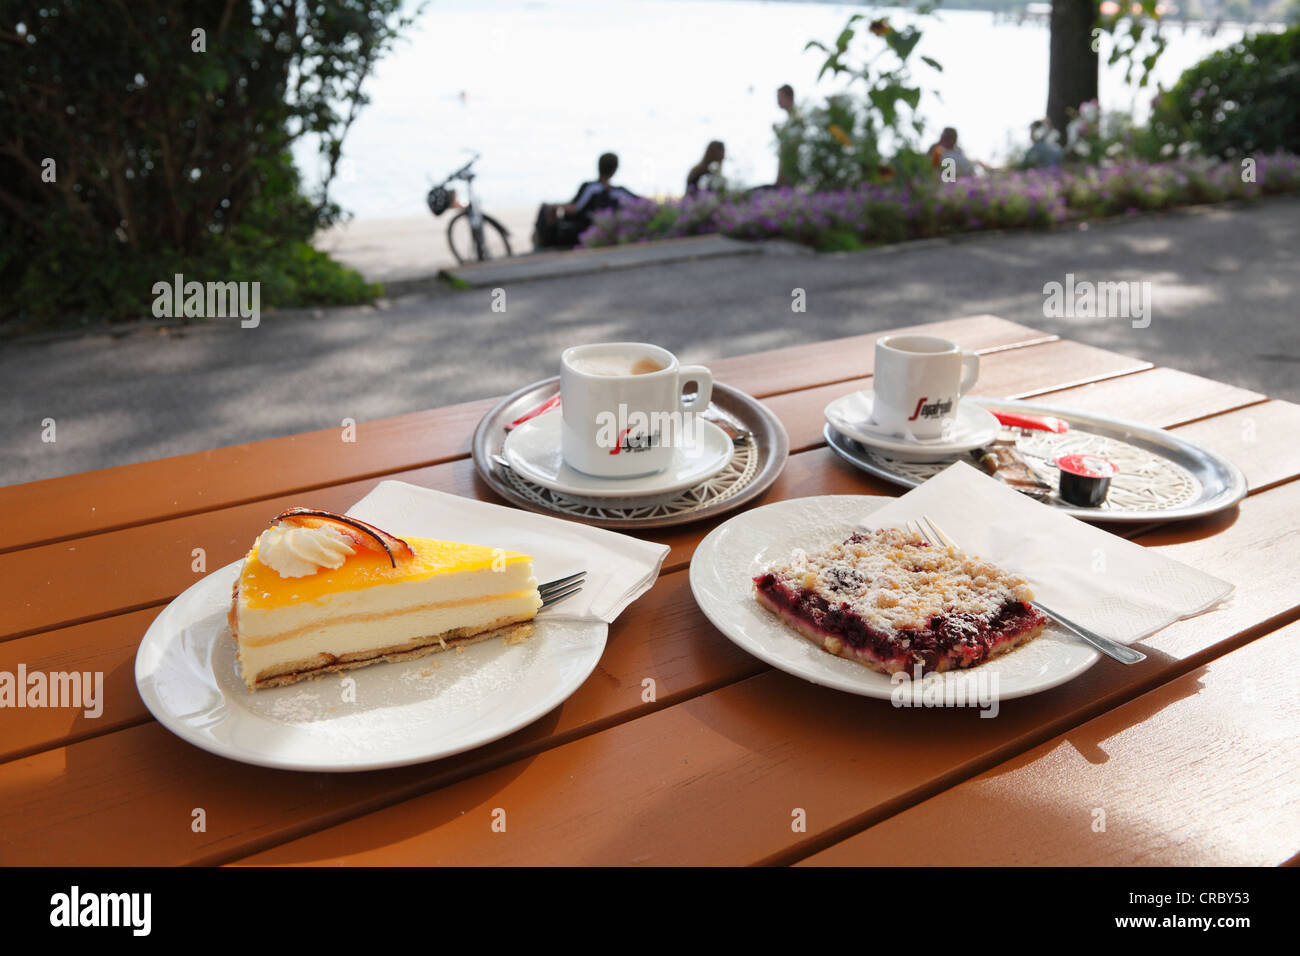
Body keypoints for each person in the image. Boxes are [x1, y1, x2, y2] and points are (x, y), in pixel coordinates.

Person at [533, 152, 640, 249]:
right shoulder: (620, 192)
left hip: (579, 232)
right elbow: (641, 202)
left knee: (545, 207)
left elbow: (574, 208)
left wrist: (554, 206)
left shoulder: (591, 187)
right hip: (605, 232)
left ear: (598, 167)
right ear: (614, 170)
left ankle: (540, 244)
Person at [773, 84, 800, 187]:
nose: (778, 101)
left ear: (790, 98)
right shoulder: (791, 118)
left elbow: (790, 147)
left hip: (792, 169)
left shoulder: (796, 117)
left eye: (780, 98)